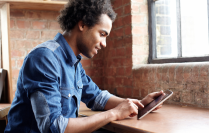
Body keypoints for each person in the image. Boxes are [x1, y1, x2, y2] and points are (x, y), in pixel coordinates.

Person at [5, 0, 164, 133]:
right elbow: (52, 126)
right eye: (102, 34)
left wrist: (138, 103)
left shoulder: (73, 63)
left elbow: (97, 97)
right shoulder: (44, 58)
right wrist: (114, 113)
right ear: (82, 25)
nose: (104, 44)